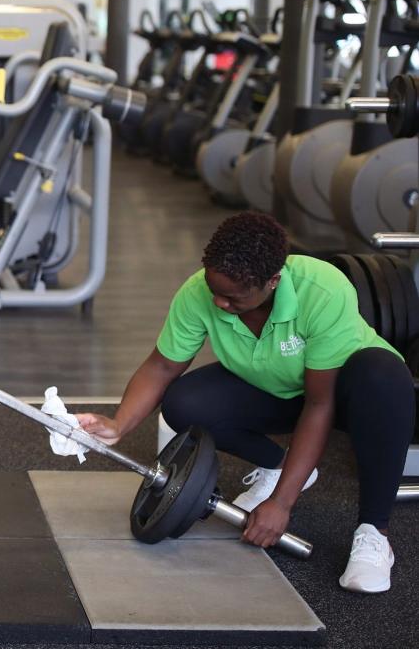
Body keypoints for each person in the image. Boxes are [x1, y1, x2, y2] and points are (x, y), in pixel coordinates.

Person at [77, 211, 414, 593]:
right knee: (185, 403)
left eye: (233, 297)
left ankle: (374, 532)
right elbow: (161, 366)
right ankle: (279, 468)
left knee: (385, 377)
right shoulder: (198, 293)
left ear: (272, 282)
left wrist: (281, 507)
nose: (219, 302)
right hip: (276, 387)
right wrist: (119, 424)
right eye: (213, 290)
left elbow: (320, 406)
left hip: (350, 393)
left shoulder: (321, 289)